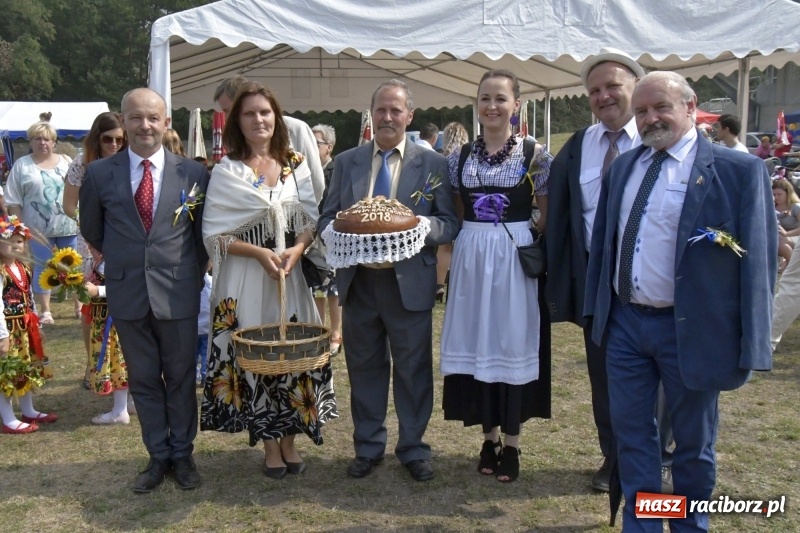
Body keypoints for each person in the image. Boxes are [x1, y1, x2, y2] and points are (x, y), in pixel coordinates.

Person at [584, 71, 775, 531]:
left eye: (661, 107)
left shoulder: (738, 171)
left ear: (691, 107)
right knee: (632, 439)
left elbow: (759, 263)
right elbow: (607, 247)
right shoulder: (625, 167)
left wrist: (754, 342)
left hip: (690, 328)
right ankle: (645, 523)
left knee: (692, 446)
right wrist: (599, 314)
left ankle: (689, 524)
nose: (650, 118)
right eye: (643, 110)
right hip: (627, 325)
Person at [546, 49, 674, 493]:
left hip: (657, 287)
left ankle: (653, 457)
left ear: (635, 88)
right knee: (604, 378)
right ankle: (613, 456)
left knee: (661, 382)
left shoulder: (663, 138)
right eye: (595, 91)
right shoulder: (579, 145)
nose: (603, 97)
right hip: (600, 288)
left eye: (613, 87)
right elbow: (559, 212)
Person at [319, 79, 458, 482]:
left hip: (409, 284)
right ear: (371, 114)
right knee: (364, 367)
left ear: (409, 117)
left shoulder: (433, 165)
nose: (387, 117)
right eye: (381, 109)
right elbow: (328, 217)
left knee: (413, 369)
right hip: (360, 284)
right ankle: (368, 446)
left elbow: (449, 222)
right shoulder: (346, 162)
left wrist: (416, 227)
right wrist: (341, 232)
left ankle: (413, 448)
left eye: (396, 110)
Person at [201, 81, 337, 480]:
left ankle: (291, 438)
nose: (259, 119)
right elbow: (214, 234)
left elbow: (310, 218)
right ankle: (269, 444)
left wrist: (297, 250)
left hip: (288, 275)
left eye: (265, 112)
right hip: (246, 277)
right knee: (256, 356)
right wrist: (259, 253)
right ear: (237, 122)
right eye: (249, 113)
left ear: (276, 117)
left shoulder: (294, 163)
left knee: (291, 356)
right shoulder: (228, 170)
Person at [80, 87, 210, 493]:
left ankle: (183, 453)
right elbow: (92, 228)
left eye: (153, 117)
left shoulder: (194, 174)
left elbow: (203, 235)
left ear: (166, 122)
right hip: (129, 293)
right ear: (123, 121)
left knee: (181, 376)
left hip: (178, 294)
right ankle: (157, 456)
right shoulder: (101, 174)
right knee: (143, 380)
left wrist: (187, 272)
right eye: (135, 117)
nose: (144, 125)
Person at [438, 70, 550, 483]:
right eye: (485, 98)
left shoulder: (536, 154)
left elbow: (546, 214)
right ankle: (489, 437)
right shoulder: (460, 158)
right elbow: (457, 213)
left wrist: (522, 240)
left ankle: (514, 443)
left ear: (516, 104)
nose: (492, 106)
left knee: (512, 339)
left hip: (513, 256)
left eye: (501, 98)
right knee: (478, 338)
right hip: (472, 256)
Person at [63, 111, 127, 389]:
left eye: (119, 140)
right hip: (89, 240)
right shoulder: (82, 164)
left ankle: (123, 369)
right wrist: (88, 228)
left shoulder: (129, 161)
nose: (113, 145)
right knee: (92, 307)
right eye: (107, 139)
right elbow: (68, 205)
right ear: (96, 138)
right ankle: (94, 367)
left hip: (122, 238)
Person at [5, 121, 78, 325]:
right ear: (31, 141)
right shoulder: (22, 165)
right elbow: (13, 199)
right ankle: (46, 311)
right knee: (43, 268)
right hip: (37, 229)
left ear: (54, 142)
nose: (42, 142)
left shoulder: (66, 161)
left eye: (47, 139)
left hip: (68, 225)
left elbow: (78, 189)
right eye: (37, 138)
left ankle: (79, 306)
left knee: (72, 267)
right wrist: (18, 228)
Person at [214, 75, 325, 204]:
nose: (226, 117)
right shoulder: (237, 139)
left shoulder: (297, 129)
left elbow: (316, 182)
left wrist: (302, 213)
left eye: (228, 110)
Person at [0, 216, 56, 434]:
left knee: (25, 367)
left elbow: (29, 296)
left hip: (25, 328)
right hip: (7, 329)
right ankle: (7, 417)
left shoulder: (24, 267)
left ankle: (28, 409)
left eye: (19, 241)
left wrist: (36, 322)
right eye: (10, 240)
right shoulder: (1, 271)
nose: (16, 245)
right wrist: (2, 335)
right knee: (6, 372)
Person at [83, 256, 134, 425]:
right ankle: (130, 404)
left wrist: (98, 291)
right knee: (121, 360)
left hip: (111, 321)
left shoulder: (110, 261)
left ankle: (120, 411)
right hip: (103, 320)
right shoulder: (96, 261)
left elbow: (125, 287)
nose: (89, 246)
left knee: (116, 361)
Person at [310, 124, 343, 355]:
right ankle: (319, 331)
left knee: (334, 290)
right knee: (316, 286)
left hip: (331, 237)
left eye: (317, 142)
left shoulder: (335, 169)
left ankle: (336, 333)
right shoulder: (305, 171)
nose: (312, 146)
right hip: (310, 237)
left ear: (328, 147)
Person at [435, 122, 469, 302]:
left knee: (444, 247)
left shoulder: (442, 159)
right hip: (462, 206)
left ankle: (439, 284)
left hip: (445, 205)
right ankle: (455, 285)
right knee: (461, 248)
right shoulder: (466, 156)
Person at [772, 178, 800, 270]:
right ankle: (791, 263)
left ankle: (791, 263)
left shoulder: (795, 206)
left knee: (779, 240)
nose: (776, 197)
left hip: (795, 236)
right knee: (778, 239)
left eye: (779, 194)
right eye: (774, 194)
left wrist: (787, 234)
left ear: (788, 194)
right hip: (780, 237)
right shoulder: (772, 207)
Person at [196, 267, 211, 386]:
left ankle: (193, 375)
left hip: (194, 327)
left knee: (193, 354)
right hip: (207, 326)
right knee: (206, 353)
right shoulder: (211, 281)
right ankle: (205, 376)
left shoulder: (190, 283)